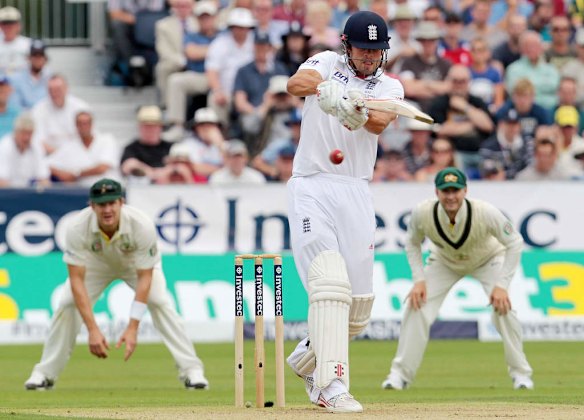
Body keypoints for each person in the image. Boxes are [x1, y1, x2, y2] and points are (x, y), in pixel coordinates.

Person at [284, 11, 402, 413]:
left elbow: (382, 121)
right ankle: (329, 384)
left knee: (358, 308)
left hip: (355, 190)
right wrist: (327, 93)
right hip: (312, 184)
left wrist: (359, 110)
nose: (369, 58)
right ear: (346, 44)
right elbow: (294, 83)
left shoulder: (390, 85)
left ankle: (304, 359)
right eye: (362, 49)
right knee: (330, 285)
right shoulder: (325, 62)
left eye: (376, 51)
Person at [24, 178, 209, 391]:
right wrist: (92, 329)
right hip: (96, 264)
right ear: (92, 205)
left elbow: (145, 277)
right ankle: (44, 374)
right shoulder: (77, 227)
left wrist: (132, 327)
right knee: (67, 303)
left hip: (134, 265)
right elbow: (76, 280)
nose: (107, 209)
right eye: (102, 204)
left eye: (112, 203)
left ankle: (192, 370)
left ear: (122, 202)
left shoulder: (141, 225)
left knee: (159, 301)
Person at [381, 167, 533, 391]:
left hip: (487, 259)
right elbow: (412, 242)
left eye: (455, 190)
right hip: (445, 262)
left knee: (504, 310)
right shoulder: (423, 212)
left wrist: (502, 285)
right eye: (445, 191)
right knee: (416, 307)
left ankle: (521, 375)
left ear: (465, 191)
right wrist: (419, 280)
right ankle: (399, 375)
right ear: (437, 192)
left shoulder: (485, 211)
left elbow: (515, 242)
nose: (451, 196)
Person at [0, 112, 50, 187]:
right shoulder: (4, 146)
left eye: (29, 133)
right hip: (7, 194)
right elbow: (2, 182)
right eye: (23, 133)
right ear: (16, 132)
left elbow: (44, 179)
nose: (26, 138)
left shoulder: (37, 146)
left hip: (29, 193)